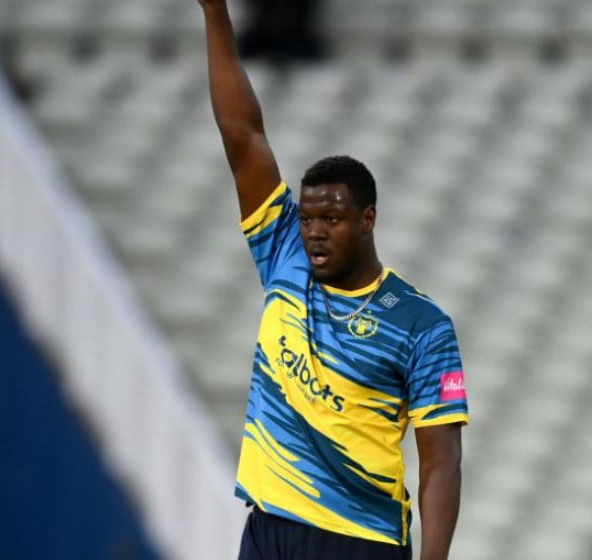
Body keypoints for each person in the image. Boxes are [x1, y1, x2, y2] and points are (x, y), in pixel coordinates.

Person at [197, 1, 469, 559]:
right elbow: (242, 134)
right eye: (308, 218)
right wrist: (215, 12)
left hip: (359, 541)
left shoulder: (422, 325)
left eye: (333, 219)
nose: (315, 232)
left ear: (368, 220)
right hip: (269, 529)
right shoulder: (285, 255)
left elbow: (441, 461)